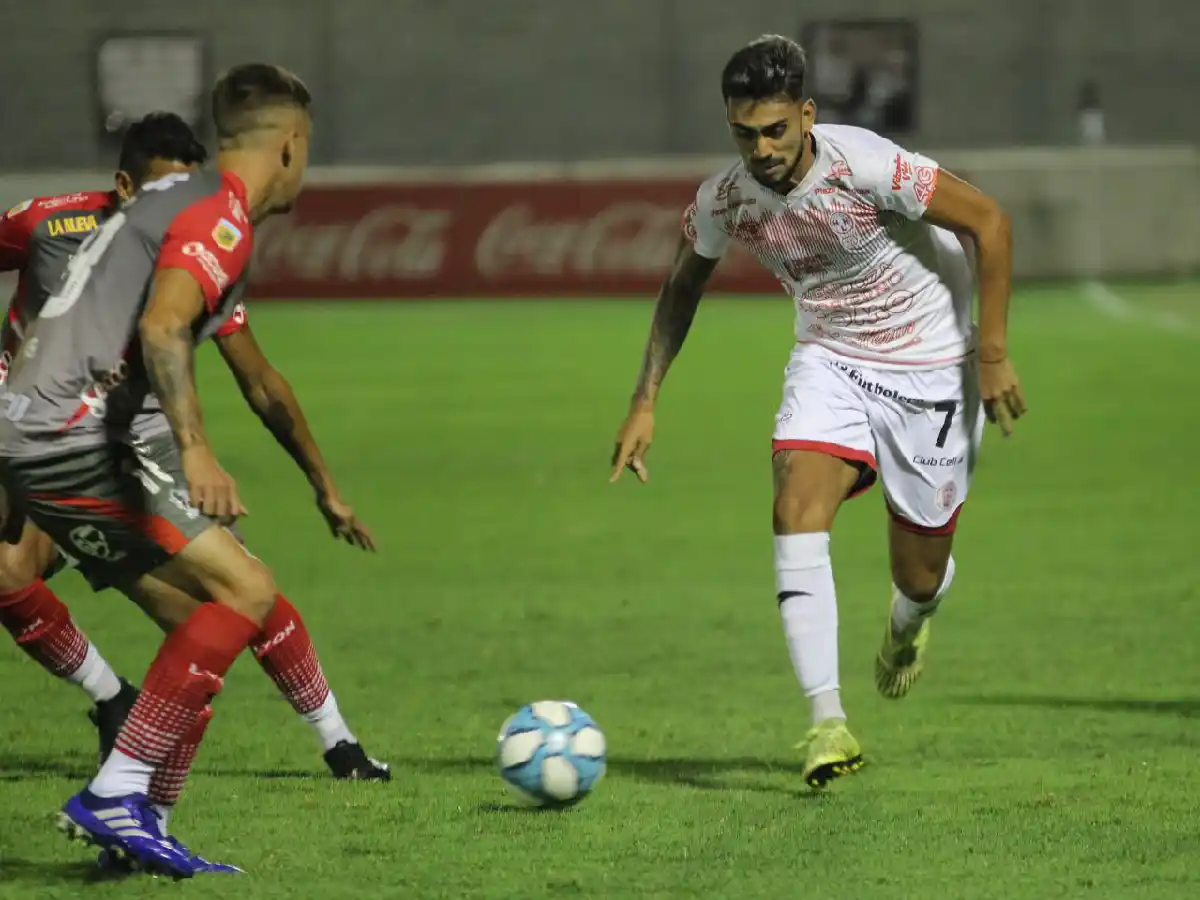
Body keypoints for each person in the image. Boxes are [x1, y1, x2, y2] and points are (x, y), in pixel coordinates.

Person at [609, 35, 1026, 789]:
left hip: (933, 366)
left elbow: (989, 223)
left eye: (775, 130)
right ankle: (827, 722)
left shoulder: (866, 165)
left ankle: (911, 620)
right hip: (830, 358)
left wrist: (991, 353)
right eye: (744, 134)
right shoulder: (725, 199)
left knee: (920, 575)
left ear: (806, 115)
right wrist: (646, 399)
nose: (761, 149)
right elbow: (682, 286)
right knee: (794, 506)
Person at [0, 64, 361, 877]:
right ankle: (117, 793)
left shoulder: (174, 204)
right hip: (67, 437)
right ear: (291, 144)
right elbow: (164, 328)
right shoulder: (216, 216)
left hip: (34, 433)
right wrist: (194, 447)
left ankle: (139, 822)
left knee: (198, 616)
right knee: (247, 590)